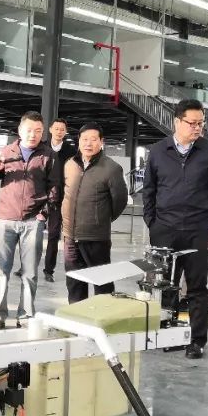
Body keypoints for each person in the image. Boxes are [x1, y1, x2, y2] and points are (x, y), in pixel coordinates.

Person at [142, 99, 208, 359]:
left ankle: (197, 340)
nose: (197, 128)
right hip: (164, 230)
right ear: (177, 122)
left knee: (197, 286)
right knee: (164, 285)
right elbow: (149, 190)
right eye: (192, 123)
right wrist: (152, 222)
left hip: (198, 230)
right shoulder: (159, 151)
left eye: (201, 123)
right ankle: (166, 334)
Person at [0, 111, 57, 331]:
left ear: (42, 133)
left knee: (30, 272)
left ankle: (25, 316)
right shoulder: (7, 152)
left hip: (33, 221)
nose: (33, 134)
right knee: (1, 270)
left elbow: (55, 188)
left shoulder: (49, 155)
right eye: (29, 130)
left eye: (38, 131)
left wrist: (44, 213)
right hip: (5, 219)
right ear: (20, 130)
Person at [61, 123, 128, 303]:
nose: (88, 144)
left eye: (93, 139)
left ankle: (103, 315)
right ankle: (76, 316)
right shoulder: (70, 164)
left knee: (102, 283)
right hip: (70, 236)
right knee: (74, 283)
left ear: (101, 142)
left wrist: (101, 219)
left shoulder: (111, 168)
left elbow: (120, 201)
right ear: (78, 141)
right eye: (84, 139)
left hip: (96, 238)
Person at [42, 118, 77, 283]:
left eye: (62, 129)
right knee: (30, 234)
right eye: (56, 128)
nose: (59, 132)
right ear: (50, 129)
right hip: (39, 196)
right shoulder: (41, 147)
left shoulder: (71, 151)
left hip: (60, 198)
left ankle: (48, 270)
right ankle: (25, 266)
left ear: (65, 132)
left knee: (54, 234)